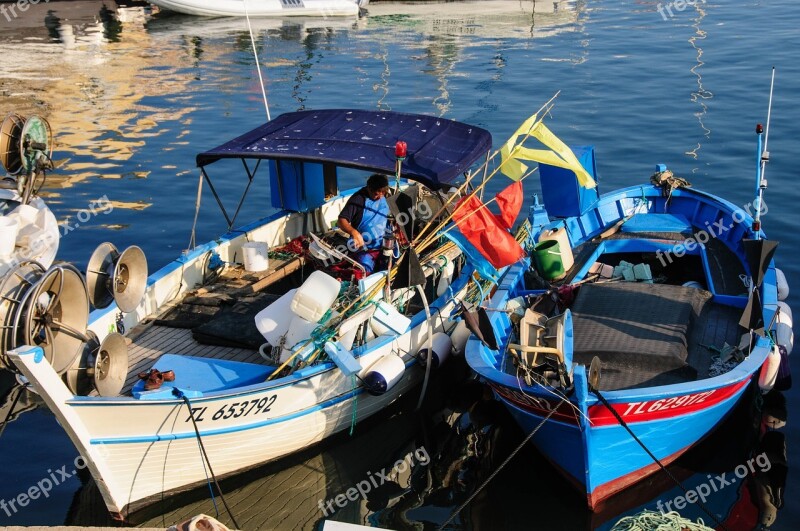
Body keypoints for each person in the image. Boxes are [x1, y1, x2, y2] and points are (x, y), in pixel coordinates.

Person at [338, 173, 390, 274]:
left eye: (382, 193)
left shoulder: (384, 194)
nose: (380, 197)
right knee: (365, 273)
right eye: (376, 194)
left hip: (383, 243)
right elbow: (341, 220)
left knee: (388, 268)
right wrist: (354, 232)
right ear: (369, 188)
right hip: (364, 247)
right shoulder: (358, 199)